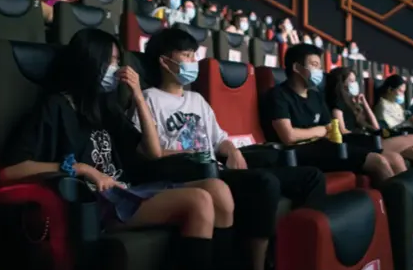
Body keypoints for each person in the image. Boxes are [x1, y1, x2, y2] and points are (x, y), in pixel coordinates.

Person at [1, 28, 234, 270]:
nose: (116, 69)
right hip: (92, 201)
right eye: (109, 61)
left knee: (217, 189)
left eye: (117, 61)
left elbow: (151, 150)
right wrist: (80, 169)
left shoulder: (107, 107)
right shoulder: (55, 106)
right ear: (89, 62)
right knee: (198, 201)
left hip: (124, 192)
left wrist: (138, 96)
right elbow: (10, 170)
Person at [131, 28, 326, 270]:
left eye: (194, 55)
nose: (193, 62)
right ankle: (257, 264)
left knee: (311, 177)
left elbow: (219, 139)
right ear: (164, 61)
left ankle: (302, 253)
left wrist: (232, 150)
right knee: (265, 183)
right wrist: (193, 156)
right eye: (186, 56)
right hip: (193, 175)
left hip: (219, 167)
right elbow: (146, 152)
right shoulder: (150, 98)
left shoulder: (197, 100)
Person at [261, 44, 405, 182]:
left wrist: (322, 131)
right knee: (379, 161)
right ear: (297, 68)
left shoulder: (315, 96)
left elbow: (330, 128)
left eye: (320, 66)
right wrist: (321, 130)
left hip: (326, 146)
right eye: (314, 65)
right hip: (302, 153)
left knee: (394, 158)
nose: (319, 71)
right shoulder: (278, 95)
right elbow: (289, 136)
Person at [326, 67, 413, 165]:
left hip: (370, 139)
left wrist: (364, 103)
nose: (355, 84)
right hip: (360, 143)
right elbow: (342, 131)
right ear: (342, 83)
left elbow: (376, 127)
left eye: (355, 81)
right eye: (351, 81)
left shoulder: (353, 105)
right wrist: (364, 136)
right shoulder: (338, 105)